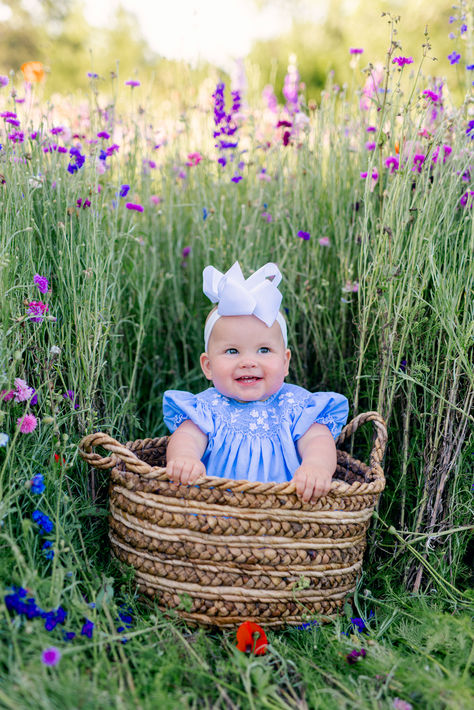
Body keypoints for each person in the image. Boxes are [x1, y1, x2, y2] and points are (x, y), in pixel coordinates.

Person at [163, 262, 349, 503]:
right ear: (208, 366)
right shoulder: (207, 407)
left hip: (286, 509)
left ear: (285, 362)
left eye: (264, 349)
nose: (248, 362)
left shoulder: (296, 405)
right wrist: (185, 459)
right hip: (217, 511)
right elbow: (187, 437)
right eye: (232, 351)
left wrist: (316, 467)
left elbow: (317, 439)